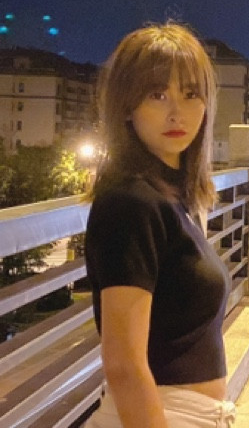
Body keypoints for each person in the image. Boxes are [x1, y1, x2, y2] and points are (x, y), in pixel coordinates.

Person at [84, 23, 236, 428]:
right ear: (126, 106)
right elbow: (123, 365)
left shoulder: (171, 197)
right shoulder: (131, 203)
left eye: (190, 94)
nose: (176, 112)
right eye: (157, 94)